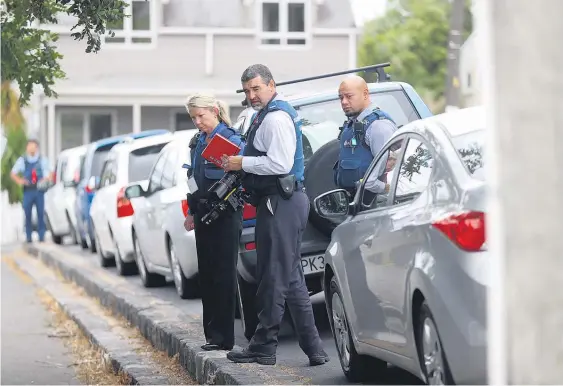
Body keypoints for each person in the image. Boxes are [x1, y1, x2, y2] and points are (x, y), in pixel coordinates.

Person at [221, 64, 329, 367]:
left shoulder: (276, 118)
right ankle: (315, 349)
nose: (252, 95)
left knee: (273, 277)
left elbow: (280, 164)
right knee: (291, 279)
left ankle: (263, 346)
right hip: (282, 201)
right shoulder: (267, 115)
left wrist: (242, 163)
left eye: (256, 88)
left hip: (281, 201)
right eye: (247, 91)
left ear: (271, 85)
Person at [183, 93, 244, 352]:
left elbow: (241, 175)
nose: (198, 122)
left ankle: (224, 338)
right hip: (203, 215)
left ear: (215, 112)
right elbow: (193, 179)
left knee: (223, 276)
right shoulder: (198, 142)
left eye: (201, 116)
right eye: (194, 117)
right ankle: (212, 335)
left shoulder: (230, 139)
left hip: (225, 216)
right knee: (207, 276)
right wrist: (190, 212)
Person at [334, 75, 399, 195]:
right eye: (341, 97)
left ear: (365, 94)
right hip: (356, 202)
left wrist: (391, 191)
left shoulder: (378, 126)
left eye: (349, 96)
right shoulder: (353, 124)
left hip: (376, 204)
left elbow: (390, 175)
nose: (344, 102)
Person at [10, 138, 52, 243]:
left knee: (40, 213)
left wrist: (45, 179)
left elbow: (50, 173)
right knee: (27, 213)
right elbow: (13, 173)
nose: (31, 148)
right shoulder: (22, 160)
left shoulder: (42, 160)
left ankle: (41, 236)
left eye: (33, 146)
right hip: (28, 190)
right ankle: (28, 236)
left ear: (36, 148)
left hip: (39, 190)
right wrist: (20, 181)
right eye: (29, 146)